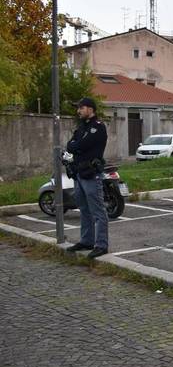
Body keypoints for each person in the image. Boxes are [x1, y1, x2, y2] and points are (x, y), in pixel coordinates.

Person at [65, 97, 109, 258]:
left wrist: (76, 146)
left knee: (98, 211)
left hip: (91, 174)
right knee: (84, 210)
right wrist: (75, 145)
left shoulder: (98, 127)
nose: (78, 111)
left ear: (90, 109)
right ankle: (87, 241)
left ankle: (101, 245)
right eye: (78, 108)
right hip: (79, 173)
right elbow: (70, 145)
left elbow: (80, 145)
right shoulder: (81, 128)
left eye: (81, 108)